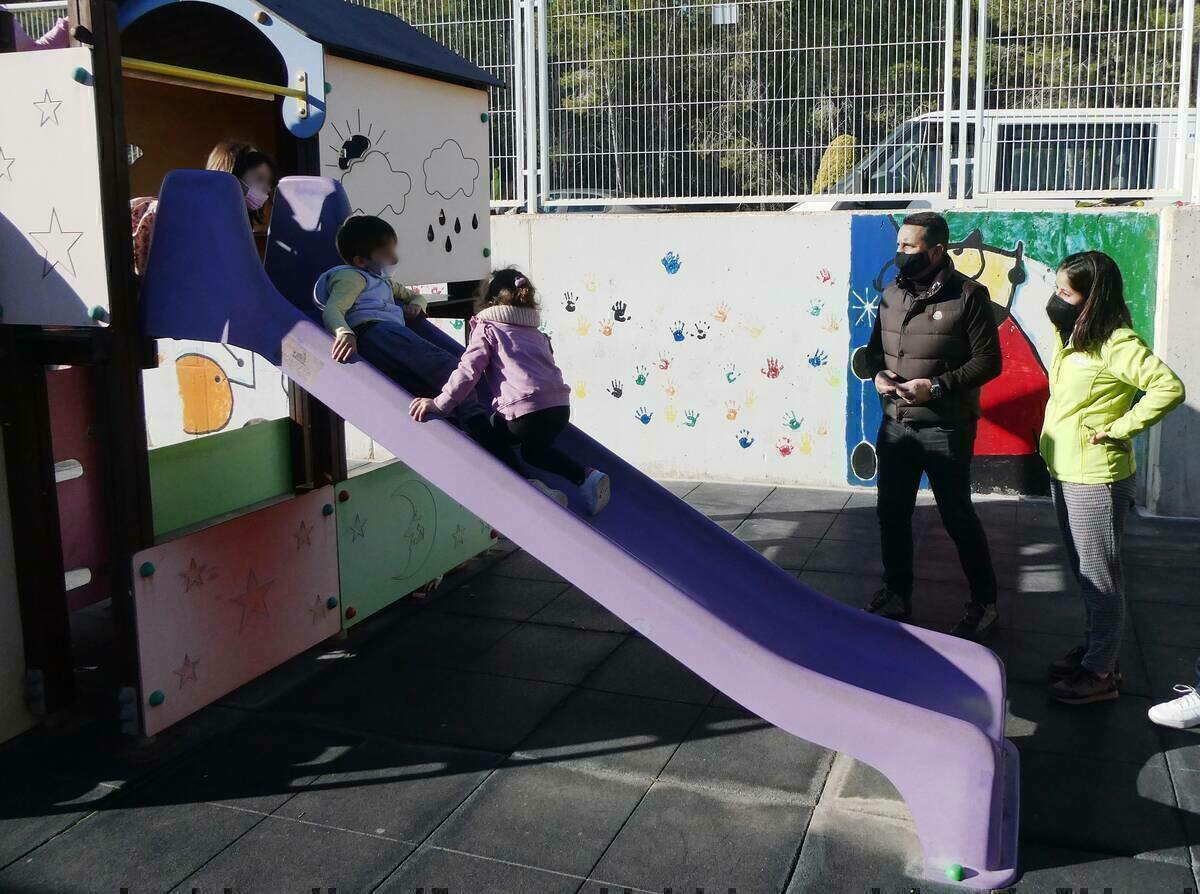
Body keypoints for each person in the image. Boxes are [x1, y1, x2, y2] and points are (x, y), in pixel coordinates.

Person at [1040, 251, 1184, 705]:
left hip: (1095, 476)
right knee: (1086, 572)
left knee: (1101, 578)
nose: (1056, 299)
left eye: (1066, 292)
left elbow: (1168, 387)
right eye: (1057, 288)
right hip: (1064, 468)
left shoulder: (1116, 343)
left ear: (1092, 297)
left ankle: (1101, 671)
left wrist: (1118, 429)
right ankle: (1098, 651)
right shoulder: (1075, 336)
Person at [862, 212, 1003, 639]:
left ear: (937, 251)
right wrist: (879, 376)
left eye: (909, 246)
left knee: (957, 516)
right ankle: (896, 592)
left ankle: (985, 603)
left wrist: (937, 388)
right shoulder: (890, 294)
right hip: (896, 426)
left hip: (946, 429)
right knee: (892, 513)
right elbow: (874, 353)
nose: (899, 253)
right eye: (899, 245)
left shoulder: (970, 296)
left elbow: (988, 362)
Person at [315, 215, 515, 470]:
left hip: (390, 336)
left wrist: (415, 305)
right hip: (377, 333)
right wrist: (344, 333)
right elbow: (332, 309)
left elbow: (417, 297)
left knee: (437, 378)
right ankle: (476, 423)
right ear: (360, 260)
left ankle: (470, 423)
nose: (394, 260)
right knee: (453, 370)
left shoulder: (382, 281)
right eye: (387, 254)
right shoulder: (353, 278)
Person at [409, 268, 611, 516]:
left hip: (524, 411)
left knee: (490, 435)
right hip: (559, 406)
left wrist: (440, 404)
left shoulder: (488, 327)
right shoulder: (535, 331)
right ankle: (586, 477)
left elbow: (468, 371)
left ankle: (530, 487)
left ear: (489, 301)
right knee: (535, 450)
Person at [131, 139, 277, 276]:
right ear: (231, 174)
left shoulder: (233, 228)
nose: (266, 189)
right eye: (259, 179)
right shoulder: (179, 217)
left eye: (269, 183)